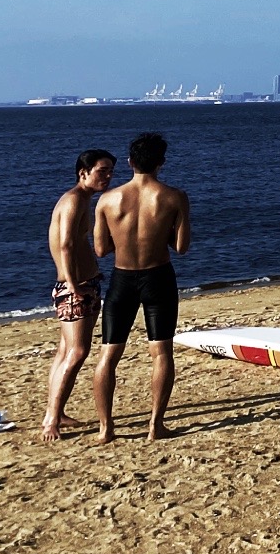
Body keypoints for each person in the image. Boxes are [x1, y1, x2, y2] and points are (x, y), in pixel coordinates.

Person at [92, 132, 192, 442]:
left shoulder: (107, 199)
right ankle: (155, 425)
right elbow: (181, 247)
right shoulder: (175, 197)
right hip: (158, 277)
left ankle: (106, 428)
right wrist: (158, 232)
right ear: (162, 162)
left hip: (122, 278)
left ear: (130, 162)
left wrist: (124, 237)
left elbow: (100, 250)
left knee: (109, 354)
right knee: (161, 352)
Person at [42, 149, 116, 443]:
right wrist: (73, 284)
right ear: (83, 173)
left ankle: (56, 412)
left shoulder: (82, 199)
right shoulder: (74, 200)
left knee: (65, 351)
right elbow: (65, 245)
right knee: (77, 352)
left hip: (83, 284)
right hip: (76, 287)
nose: (108, 177)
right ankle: (51, 418)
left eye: (110, 171)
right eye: (102, 171)